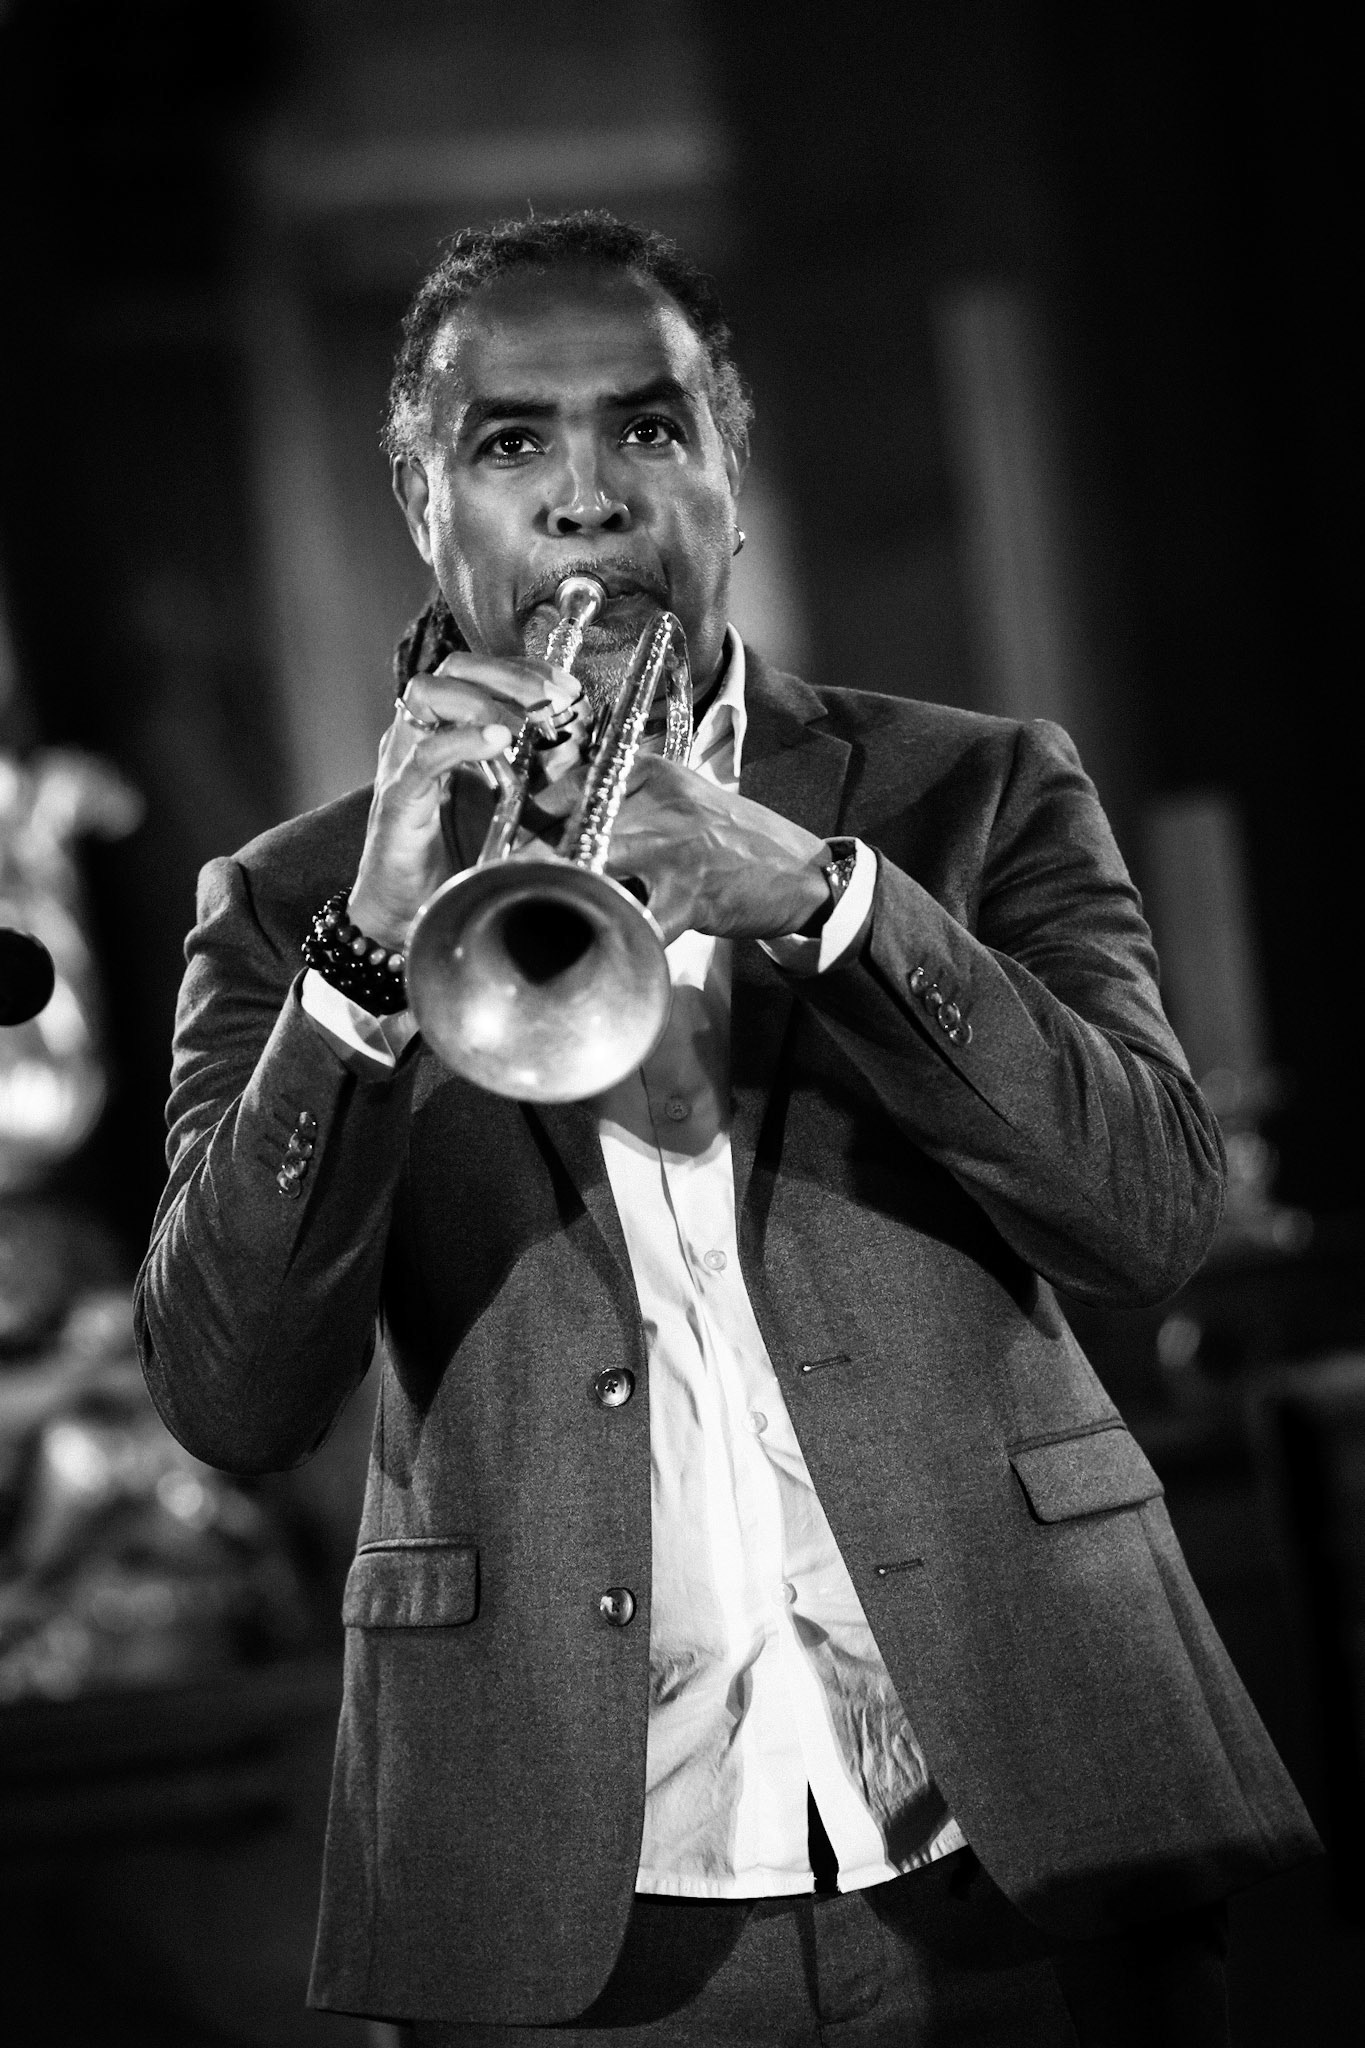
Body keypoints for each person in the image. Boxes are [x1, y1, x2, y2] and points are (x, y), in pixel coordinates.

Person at [135, 213, 1316, 2046]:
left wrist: (834, 902)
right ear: (419, 502)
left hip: (1028, 1837)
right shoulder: (292, 902)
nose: (590, 499)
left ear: (729, 473)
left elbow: (1152, 1220)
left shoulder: (972, 790)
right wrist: (366, 969)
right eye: (510, 444)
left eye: (651, 430)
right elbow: (231, 1400)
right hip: (575, 1903)